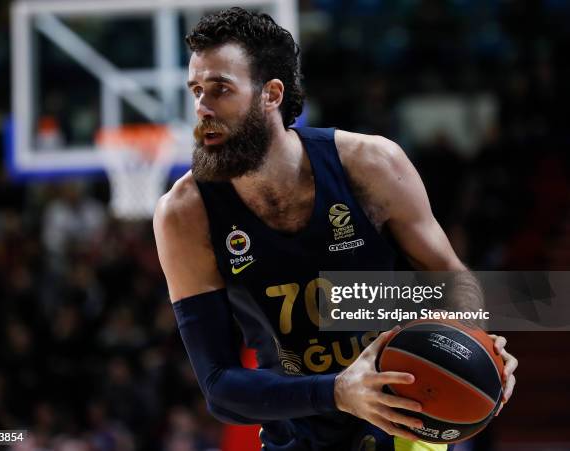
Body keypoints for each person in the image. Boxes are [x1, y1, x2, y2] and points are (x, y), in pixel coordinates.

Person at [153, 7, 517, 451]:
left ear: (270, 94)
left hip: (407, 423)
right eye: (196, 89)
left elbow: (449, 276)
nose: (202, 107)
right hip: (298, 434)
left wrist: (479, 348)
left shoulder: (370, 164)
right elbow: (219, 387)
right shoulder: (184, 213)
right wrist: (338, 391)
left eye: (220, 89)